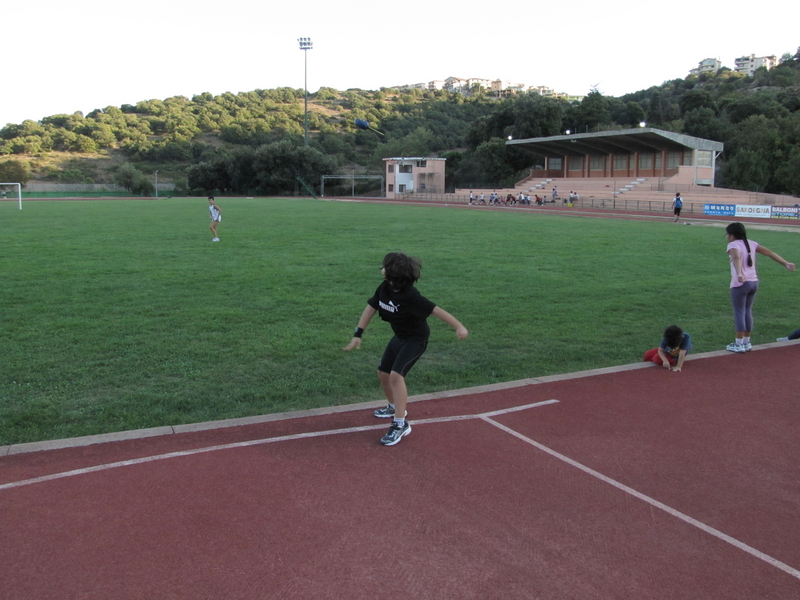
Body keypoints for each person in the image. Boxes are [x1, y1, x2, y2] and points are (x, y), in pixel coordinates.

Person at [343, 252, 469, 446]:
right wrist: (358, 334)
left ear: (392, 273)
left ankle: (400, 424)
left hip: (416, 339)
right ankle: (393, 406)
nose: (381, 268)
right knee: (383, 373)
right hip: (400, 337)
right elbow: (371, 308)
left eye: (385, 266)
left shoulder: (411, 297)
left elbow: (436, 310)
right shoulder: (384, 288)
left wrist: (459, 326)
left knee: (396, 375)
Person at [725, 222, 795, 353]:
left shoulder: (733, 245)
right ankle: (747, 342)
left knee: (739, 312)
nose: (727, 236)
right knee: (747, 311)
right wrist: (785, 263)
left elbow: (736, 257)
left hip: (740, 283)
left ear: (732, 235)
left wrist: (740, 273)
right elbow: (769, 252)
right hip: (753, 282)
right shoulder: (751, 243)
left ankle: (738, 343)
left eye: (727, 234)